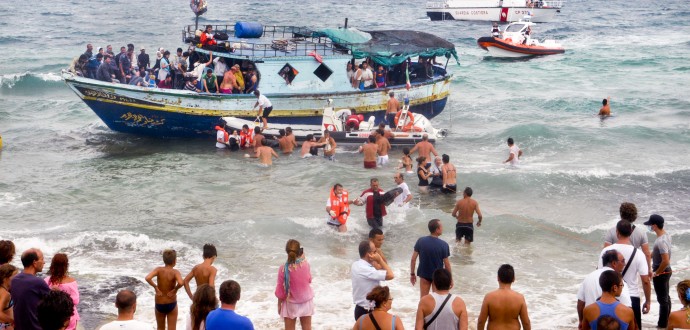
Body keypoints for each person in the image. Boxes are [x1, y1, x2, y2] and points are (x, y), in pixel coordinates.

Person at [599, 220, 651, 329]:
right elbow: (645, 281)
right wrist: (648, 301)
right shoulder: (638, 253)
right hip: (632, 298)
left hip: (610, 297)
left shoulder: (606, 251)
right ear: (631, 232)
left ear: (617, 232)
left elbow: (600, 274)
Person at [577, 250, 633, 327]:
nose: (624, 264)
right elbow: (627, 306)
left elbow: (580, 302)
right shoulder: (618, 280)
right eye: (623, 261)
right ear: (614, 263)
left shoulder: (589, 276)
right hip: (612, 325)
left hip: (590, 321)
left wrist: (581, 321)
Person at [477, 264, 531, 330]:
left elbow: (481, 322)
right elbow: (526, 323)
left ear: (498, 278)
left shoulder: (489, 297)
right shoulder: (519, 298)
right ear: (513, 279)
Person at [275, 239, 314, 330]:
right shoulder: (305, 265)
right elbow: (309, 280)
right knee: (307, 328)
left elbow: (281, 291)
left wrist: (279, 305)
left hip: (291, 304)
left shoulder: (283, 269)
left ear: (287, 252)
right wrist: (303, 258)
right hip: (306, 302)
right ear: (299, 251)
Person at [604, 203, 652, 275]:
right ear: (634, 216)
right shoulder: (641, 233)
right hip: (633, 267)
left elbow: (605, 253)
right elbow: (647, 254)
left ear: (621, 214)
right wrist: (649, 269)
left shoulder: (611, 231)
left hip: (615, 268)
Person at [351, 241, 394, 321]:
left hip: (359, 309)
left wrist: (377, 259)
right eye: (374, 252)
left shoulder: (356, 264)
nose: (376, 254)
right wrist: (380, 260)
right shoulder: (367, 270)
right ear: (369, 254)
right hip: (368, 311)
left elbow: (381, 268)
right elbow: (391, 275)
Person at [410, 219, 451, 298]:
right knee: (437, 300)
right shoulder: (444, 245)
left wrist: (412, 274)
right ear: (437, 229)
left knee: (423, 299)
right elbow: (447, 265)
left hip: (424, 274)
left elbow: (413, 259)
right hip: (438, 277)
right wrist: (450, 279)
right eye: (441, 227)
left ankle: (422, 310)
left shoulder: (420, 241)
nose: (442, 228)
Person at [10, 248, 50, 330]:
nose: (44, 262)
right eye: (42, 259)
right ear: (34, 263)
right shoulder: (38, 282)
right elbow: (53, 304)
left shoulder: (14, 280)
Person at [644, 214, 672, 328]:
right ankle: (668, 321)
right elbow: (660, 254)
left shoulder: (661, 241)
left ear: (654, 226)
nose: (649, 227)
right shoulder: (667, 235)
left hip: (662, 273)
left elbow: (665, 261)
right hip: (666, 272)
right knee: (666, 297)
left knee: (662, 300)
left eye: (650, 225)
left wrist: (657, 273)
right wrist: (649, 256)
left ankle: (662, 325)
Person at [145, 249, 184, 330]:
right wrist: (175, 290)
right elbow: (181, 283)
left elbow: (148, 278)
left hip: (160, 303)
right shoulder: (175, 272)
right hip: (171, 302)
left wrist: (155, 287)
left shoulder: (158, 270)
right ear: (175, 261)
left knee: (160, 328)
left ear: (164, 260)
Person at [44, 253, 80, 330]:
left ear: (52, 265)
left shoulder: (47, 281)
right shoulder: (71, 282)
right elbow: (76, 301)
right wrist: (62, 293)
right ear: (66, 266)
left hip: (51, 316)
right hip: (69, 316)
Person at [0, 264, 18, 329]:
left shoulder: (1, 290)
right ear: (5, 278)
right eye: (14, 277)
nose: (16, 279)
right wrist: (13, 321)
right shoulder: (5, 294)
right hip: (4, 326)